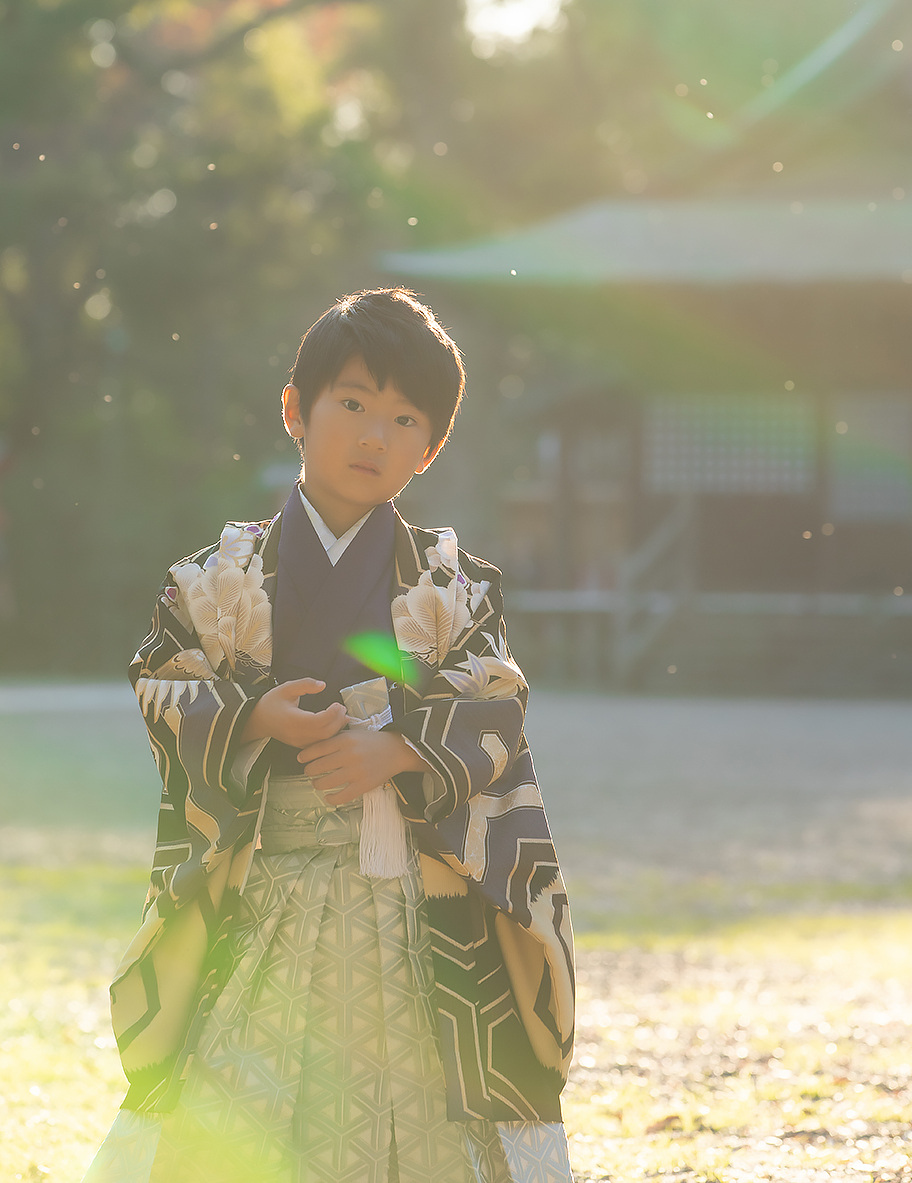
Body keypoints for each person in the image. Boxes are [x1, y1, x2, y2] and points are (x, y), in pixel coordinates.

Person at [84, 288, 575, 1183]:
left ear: (429, 448)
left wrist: (402, 747)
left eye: (403, 417)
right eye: (350, 402)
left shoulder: (452, 584)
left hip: (417, 912)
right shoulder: (217, 580)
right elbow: (162, 680)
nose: (372, 435)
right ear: (294, 410)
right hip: (267, 882)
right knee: (243, 1104)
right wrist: (253, 714)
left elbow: (496, 699)